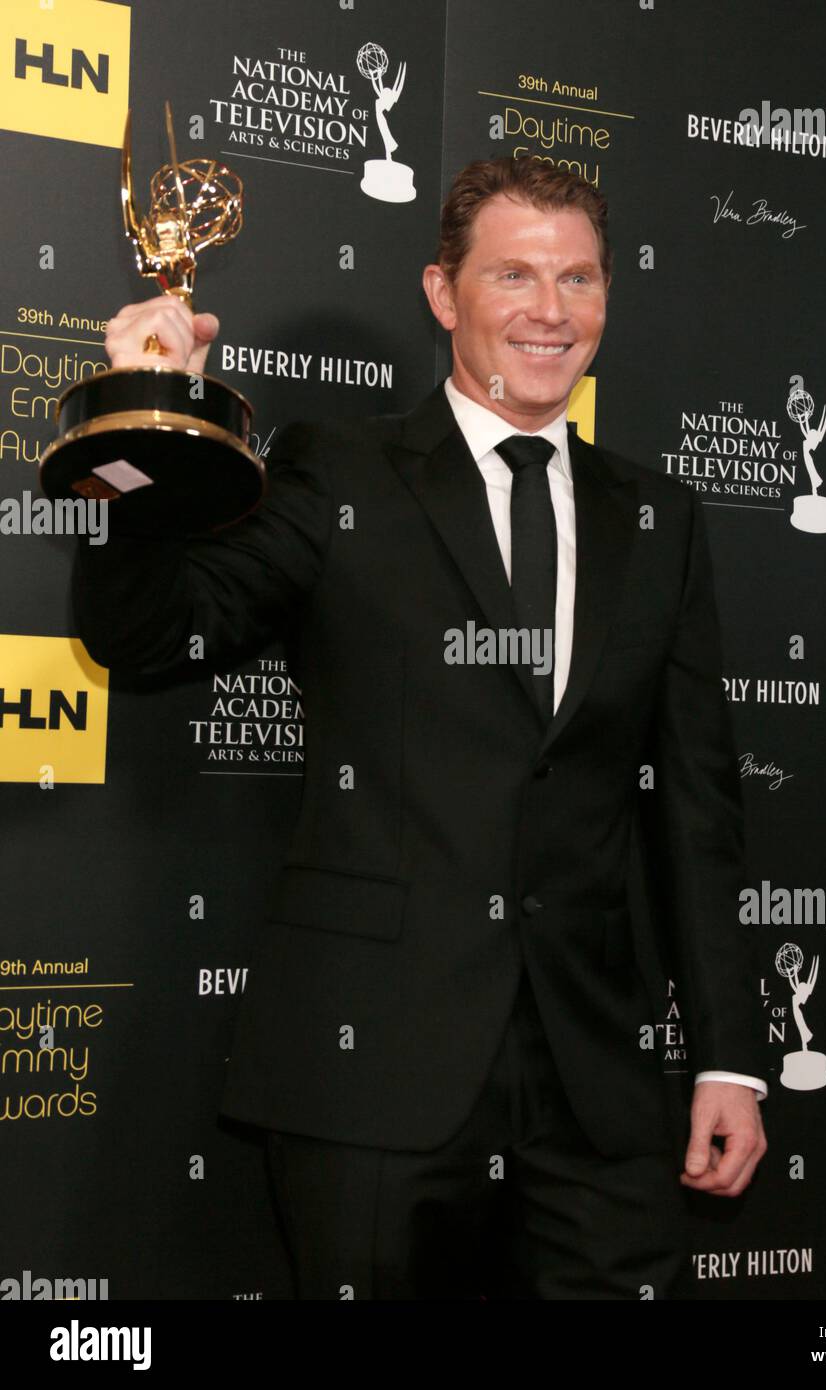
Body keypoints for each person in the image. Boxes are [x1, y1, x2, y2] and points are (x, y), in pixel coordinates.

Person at [73, 156, 767, 1300]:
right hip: (370, 1074)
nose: (552, 310)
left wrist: (731, 1056)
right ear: (444, 295)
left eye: (579, 278)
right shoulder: (335, 469)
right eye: (514, 276)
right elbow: (149, 642)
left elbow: (698, 813)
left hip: (595, 1091)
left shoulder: (661, 518)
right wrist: (151, 426)